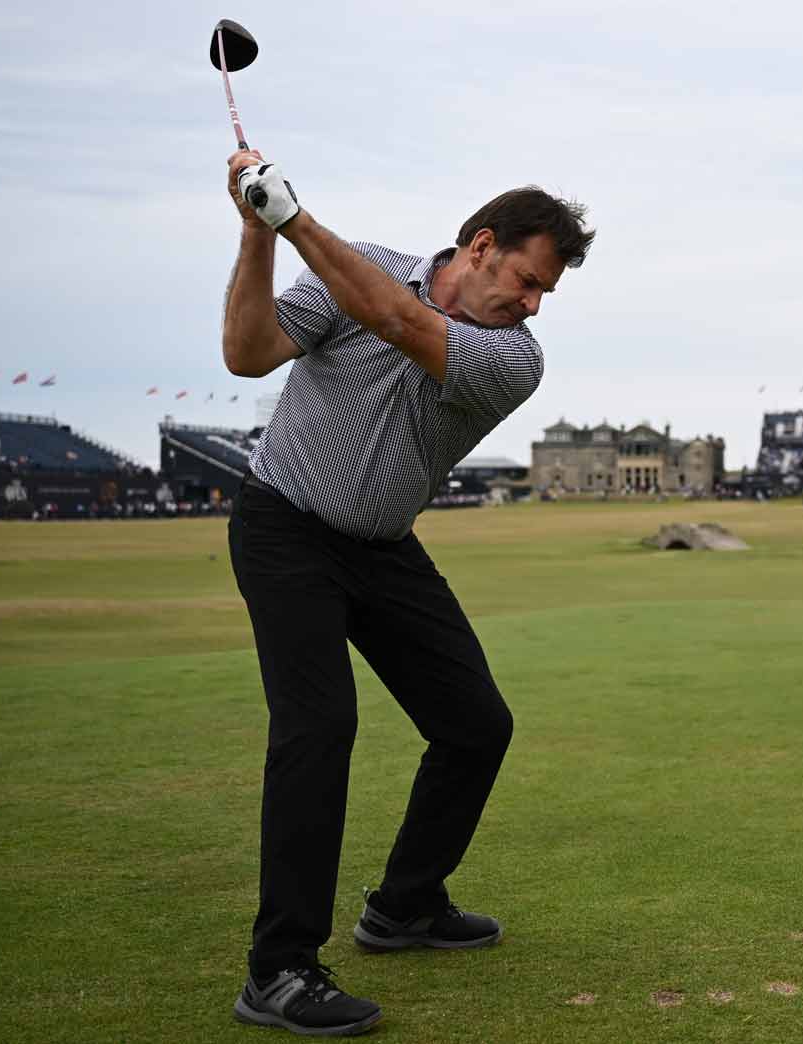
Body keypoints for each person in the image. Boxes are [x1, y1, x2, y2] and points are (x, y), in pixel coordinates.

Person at [221, 149, 595, 1035]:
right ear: (480, 245)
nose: (533, 305)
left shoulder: (511, 358)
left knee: (475, 724)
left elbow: (392, 320)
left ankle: (404, 906)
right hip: (284, 527)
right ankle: (278, 968)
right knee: (318, 727)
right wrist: (257, 233)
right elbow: (246, 353)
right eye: (528, 280)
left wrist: (295, 222)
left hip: (383, 548)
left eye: (546, 293)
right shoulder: (361, 264)